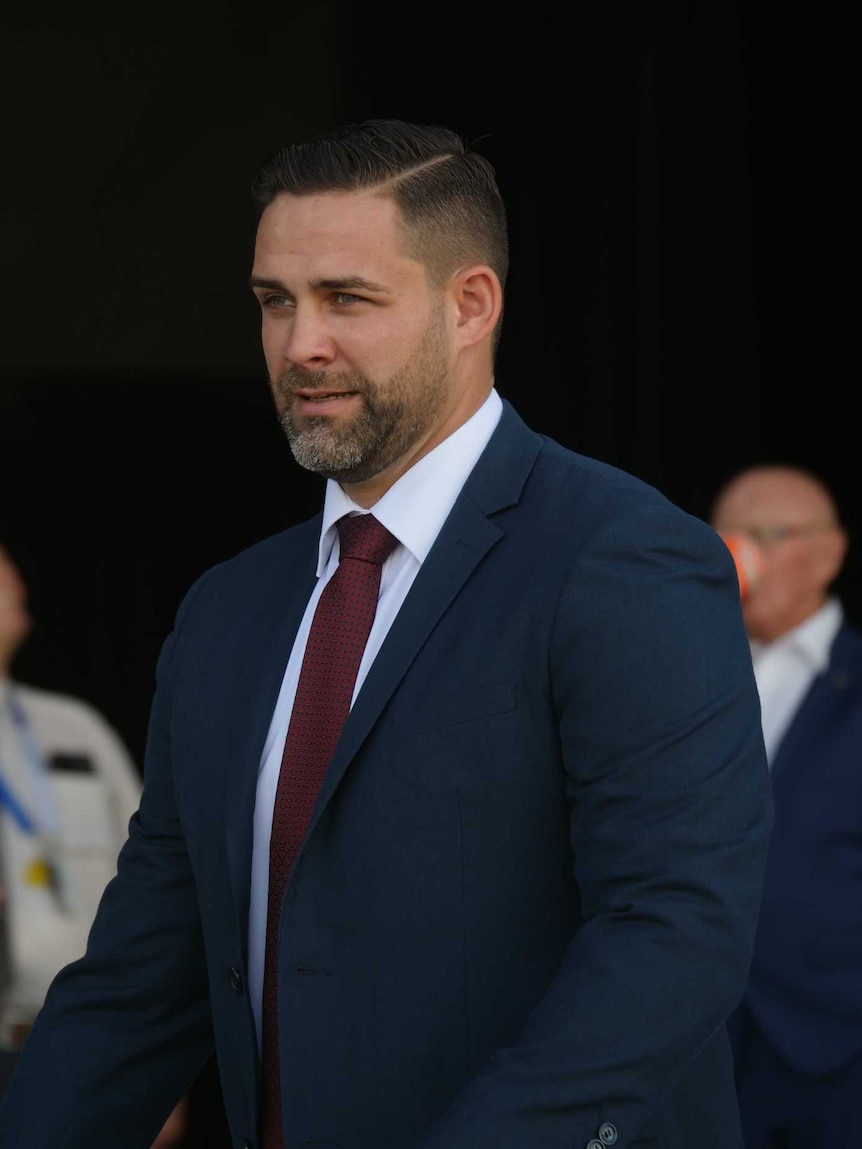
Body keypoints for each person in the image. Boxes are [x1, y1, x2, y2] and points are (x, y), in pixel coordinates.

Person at [0, 118, 772, 1149]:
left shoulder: (623, 561)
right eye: (275, 301)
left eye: (346, 298)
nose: (298, 342)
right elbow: (145, 974)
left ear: (471, 305)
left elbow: (673, 938)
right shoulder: (230, 609)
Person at [0, 543, 188, 1148]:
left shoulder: (72, 725)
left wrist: (162, 1070)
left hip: (91, 1054)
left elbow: (162, 890)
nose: (10, 572)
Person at [709, 464, 862, 1148]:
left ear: (829, 552)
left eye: (767, 535)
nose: (743, 555)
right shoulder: (683, 672)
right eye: (726, 536)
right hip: (701, 1045)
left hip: (833, 1052)